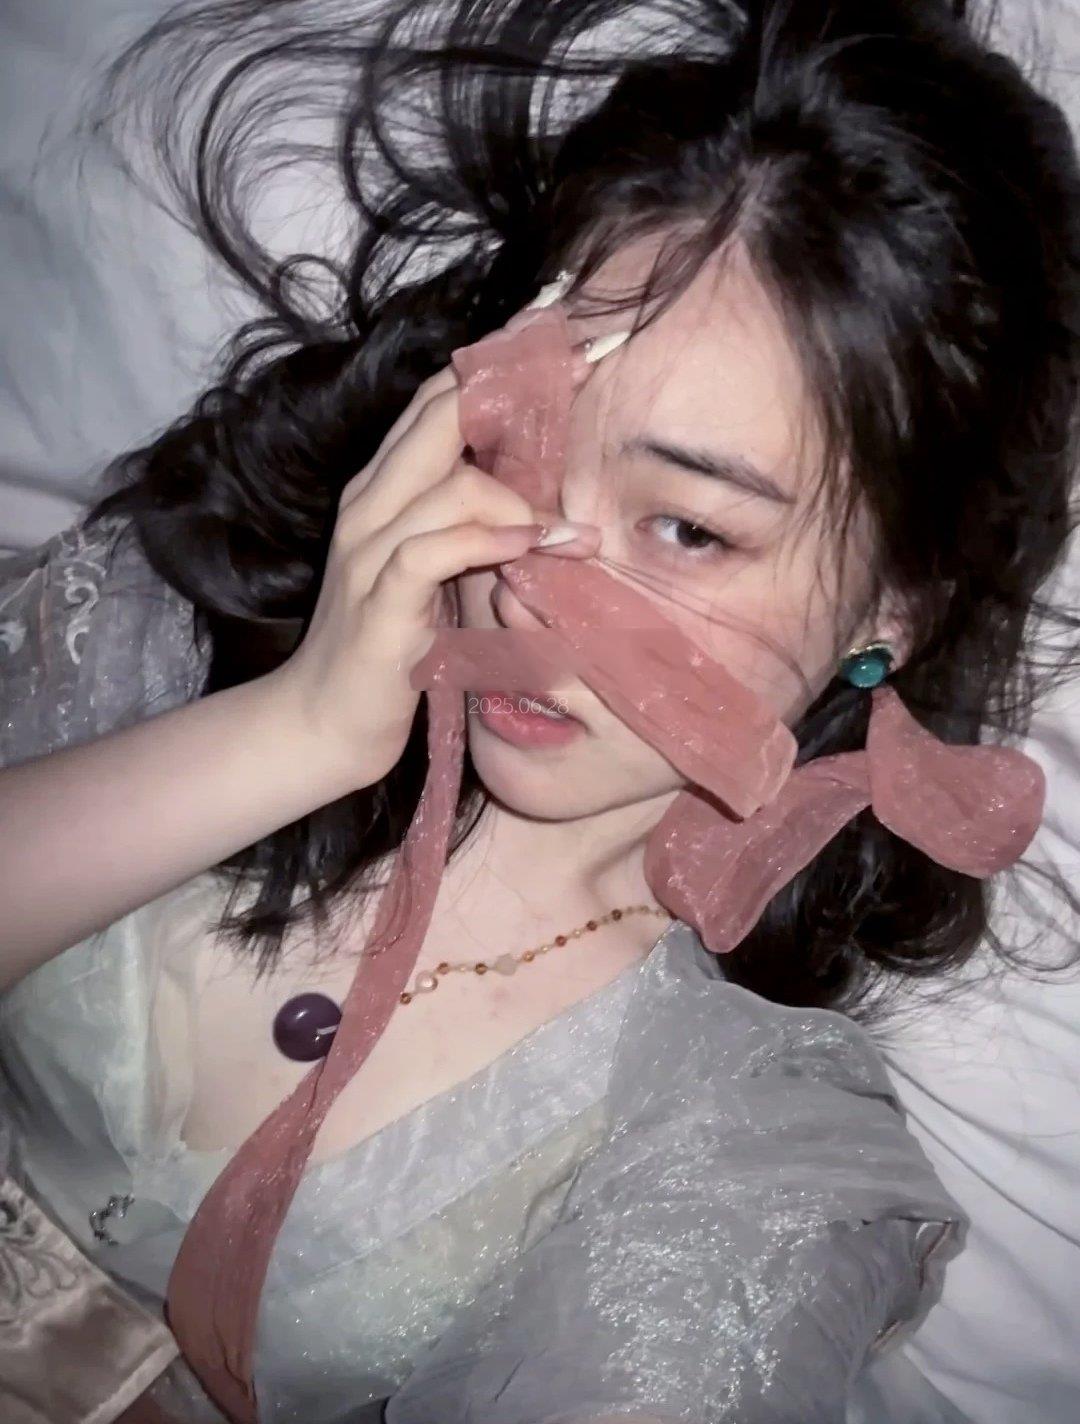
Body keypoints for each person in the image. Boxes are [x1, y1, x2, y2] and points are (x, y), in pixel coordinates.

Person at [1, 1, 1077, 1421]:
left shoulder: (735, 1148)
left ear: (896, 610)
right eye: (526, 448)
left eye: (687, 530)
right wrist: (294, 733)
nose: (525, 588)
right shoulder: (181, 623)